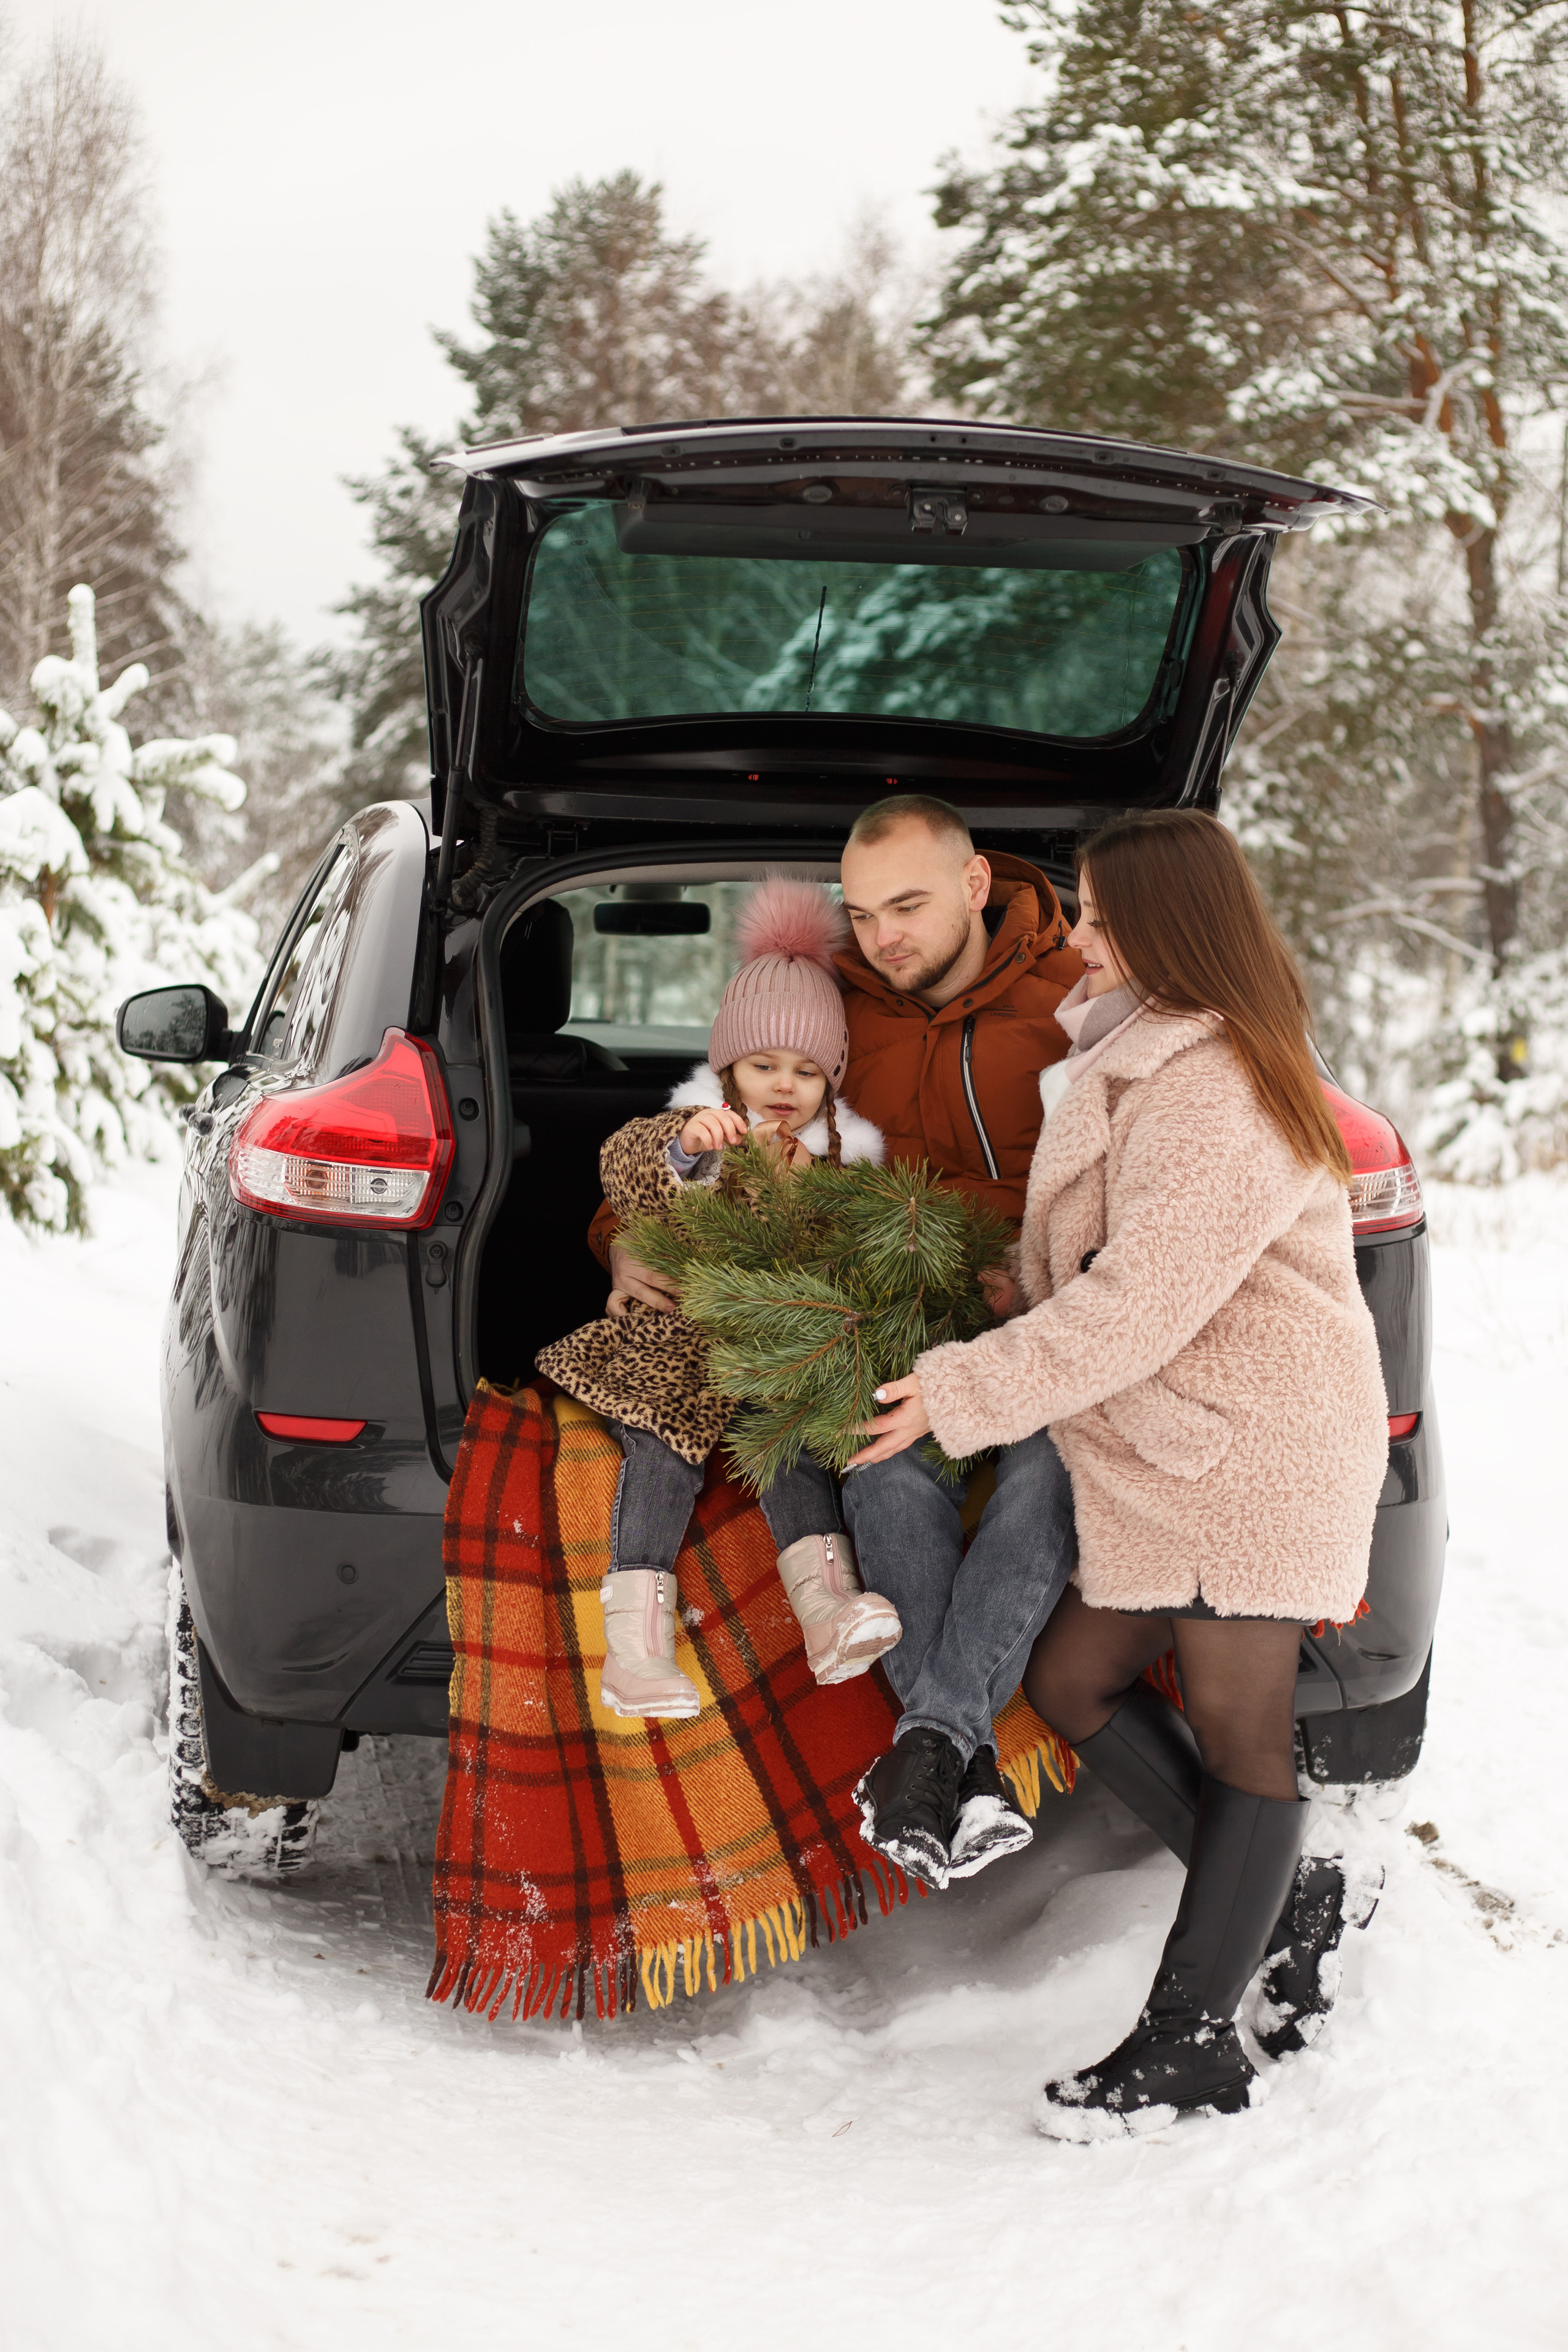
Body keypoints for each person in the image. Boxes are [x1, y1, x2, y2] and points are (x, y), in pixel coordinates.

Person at [854, 809, 1389, 2136]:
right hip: (1173, 1442)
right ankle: (1282, 1894)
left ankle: (1189, 2039)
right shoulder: (1144, 1057)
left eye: (1094, 914)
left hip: (1248, 1448)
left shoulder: (1219, 1085)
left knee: (1241, 1734)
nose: (1076, 935)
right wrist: (1012, 1291)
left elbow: (1148, 1296)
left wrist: (967, 1388)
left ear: (1163, 926)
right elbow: (1120, 1265)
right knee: (1073, 1677)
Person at [595, 797, 1085, 1879]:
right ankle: (956, 1759)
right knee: (883, 1466)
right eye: (859, 914)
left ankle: (931, 1748)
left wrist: (1004, 1244)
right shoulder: (835, 1011)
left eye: (906, 906)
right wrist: (624, 1243)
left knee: (1055, 1472)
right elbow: (701, 1135)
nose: (882, 939)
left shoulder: (1078, 1005)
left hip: (1042, 1331)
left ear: (974, 884)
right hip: (876, 1332)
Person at [538, 876, 900, 1721]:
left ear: (832, 1077)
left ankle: (828, 1611)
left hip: (770, 1363)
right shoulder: (699, 1133)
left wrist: (807, 1196)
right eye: (763, 1065)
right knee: (661, 1456)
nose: (784, 1085)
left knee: (792, 1452)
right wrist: (690, 1151)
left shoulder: (841, 1160)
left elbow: (855, 1257)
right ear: (728, 1067)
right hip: (674, 1349)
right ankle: (635, 1649)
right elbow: (632, 1172)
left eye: (807, 1071)